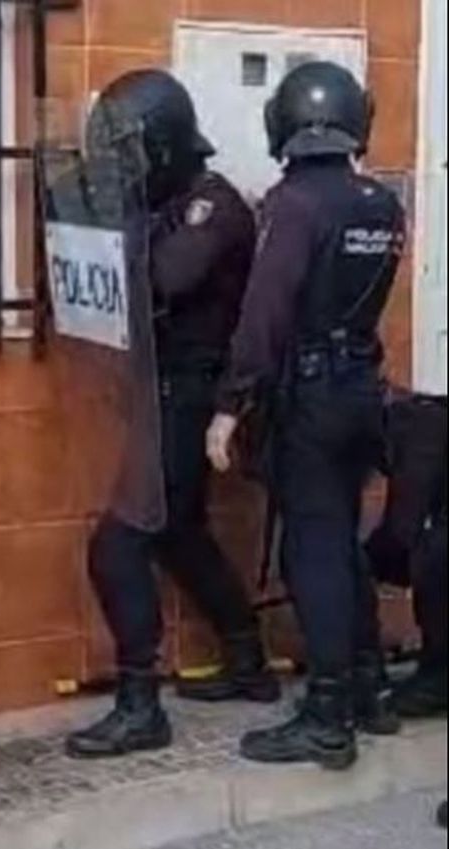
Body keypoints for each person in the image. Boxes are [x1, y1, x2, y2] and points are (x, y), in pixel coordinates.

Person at [63, 70, 281, 762]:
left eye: (127, 155)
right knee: (179, 532)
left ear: (161, 148)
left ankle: (140, 705)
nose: (120, 169)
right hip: (162, 391)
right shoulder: (164, 202)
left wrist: (111, 218)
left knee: (119, 544)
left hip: (193, 397)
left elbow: (161, 280)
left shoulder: (212, 209)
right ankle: (246, 657)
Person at [206, 61, 406, 771]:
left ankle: (327, 716)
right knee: (340, 542)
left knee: (311, 550)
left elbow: (265, 312)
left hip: (313, 398)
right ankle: (369, 687)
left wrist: (230, 405)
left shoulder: (293, 204)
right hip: (361, 391)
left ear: (284, 123)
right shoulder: (381, 204)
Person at [366, 390, 448, 719]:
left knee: (434, 552)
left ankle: (438, 678)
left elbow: (403, 526)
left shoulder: (418, 424)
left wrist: (368, 565)